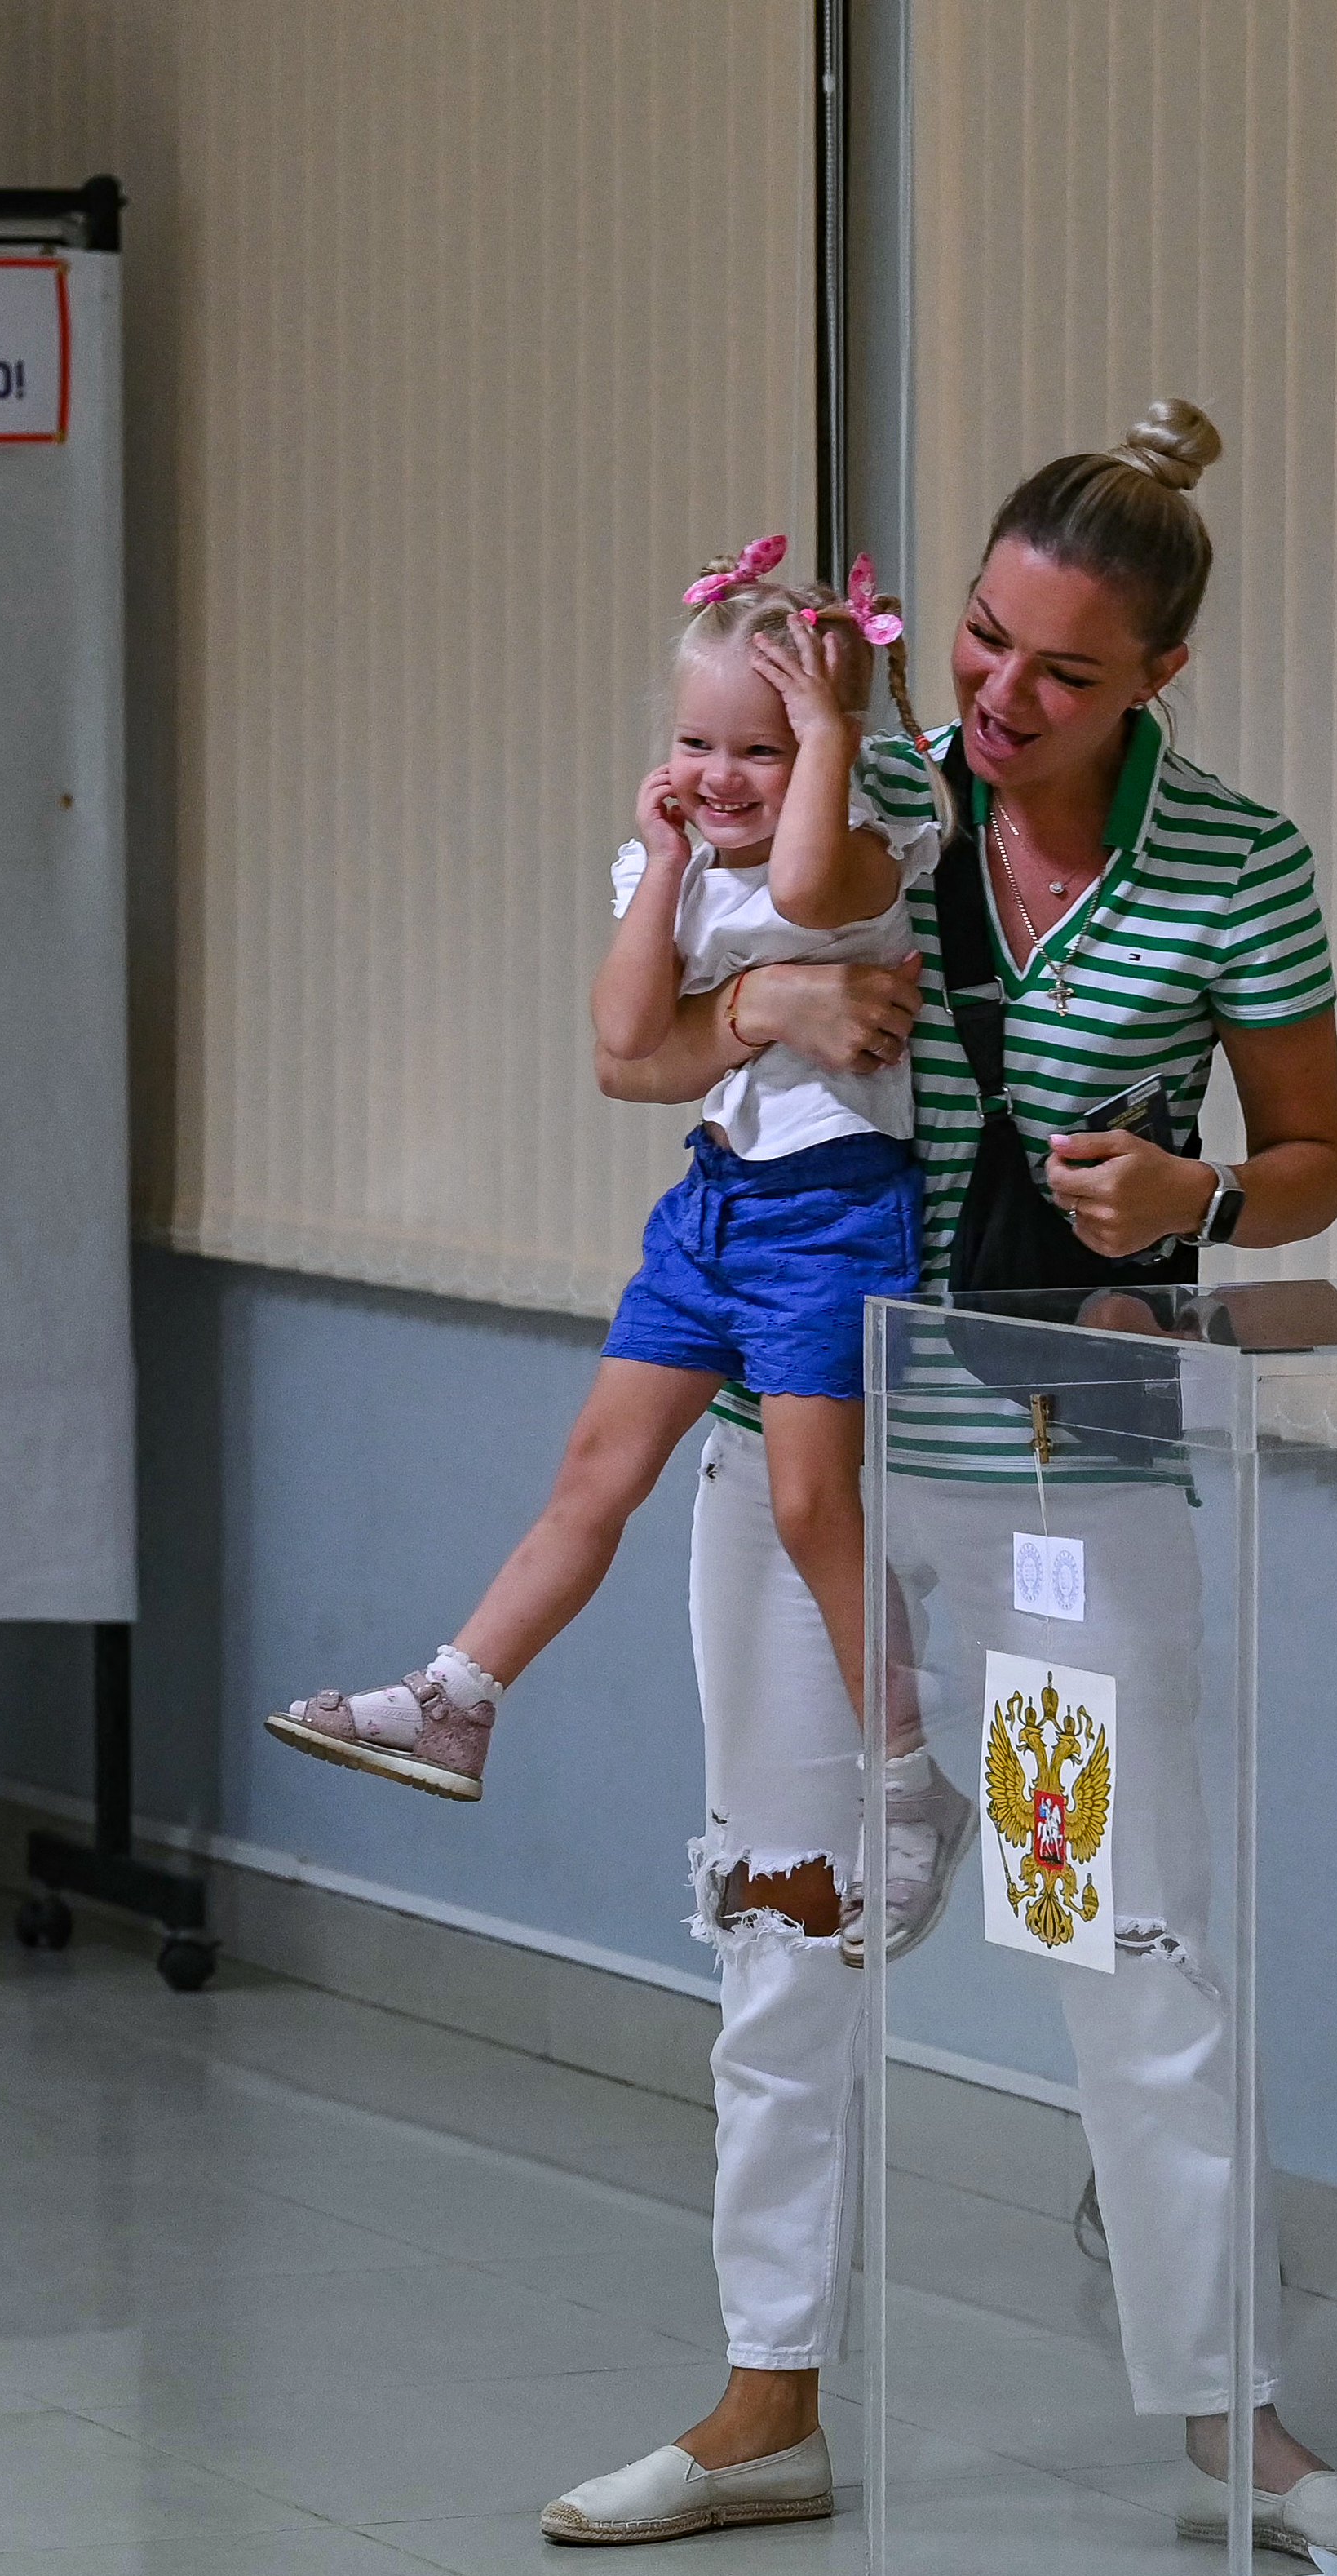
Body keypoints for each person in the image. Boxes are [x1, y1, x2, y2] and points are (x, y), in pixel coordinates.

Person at [538, 401, 1337, 2574]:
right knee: (788, 1919)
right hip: (798, 1463)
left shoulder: (1239, 862)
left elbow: (1313, 1163)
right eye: (977, 646)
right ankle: (767, 2406)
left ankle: (1233, 2421)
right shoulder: (856, 808)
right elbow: (652, 1043)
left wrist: (1197, 1190)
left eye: (1061, 674)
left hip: (1061, 1474)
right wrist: (727, 918)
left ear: (1158, 684)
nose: (1001, 703)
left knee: (1112, 1936)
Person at [263, 546, 973, 1959]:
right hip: (713, 1207)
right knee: (597, 1467)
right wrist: (657, 869)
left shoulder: (860, 843)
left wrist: (832, 731)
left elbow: (823, 891)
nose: (724, 776)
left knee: (811, 1503)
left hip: (835, 1212)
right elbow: (631, 1032)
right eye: (697, 742)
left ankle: (907, 1781)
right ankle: (461, 1691)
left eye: (760, 749)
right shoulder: (688, 869)